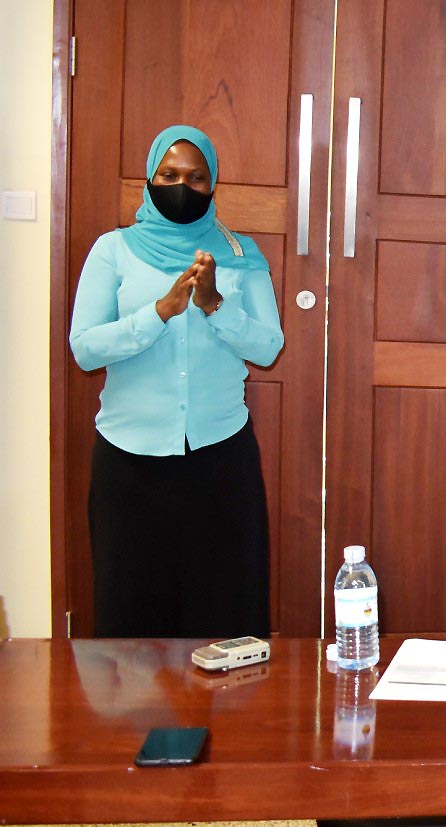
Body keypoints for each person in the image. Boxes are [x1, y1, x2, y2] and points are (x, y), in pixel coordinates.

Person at [70, 125, 284, 638]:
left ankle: (230, 721)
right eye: (169, 174)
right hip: (129, 458)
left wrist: (213, 304)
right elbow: (85, 348)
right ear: (150, 177)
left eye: (196, 176)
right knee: (131, 609)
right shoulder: (112, 250)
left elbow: (268, 347)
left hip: (220, 456)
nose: (181, 186)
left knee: (227, 609)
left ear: (213, 186)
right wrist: (160, 312)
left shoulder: (239, 253)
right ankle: (137, 722)